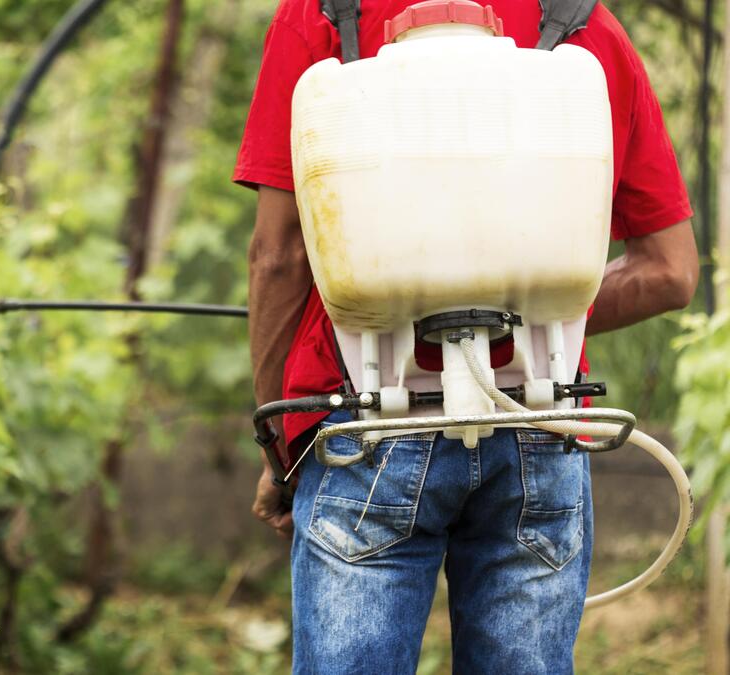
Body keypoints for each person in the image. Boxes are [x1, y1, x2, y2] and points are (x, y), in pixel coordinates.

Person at [235, 0, 699, 672]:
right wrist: (517, 310)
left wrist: (278, 442)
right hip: (541, 417)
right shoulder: (582, 22)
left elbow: (279, 256)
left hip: (364, 422)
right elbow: (671, 271)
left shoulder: (325, 14)